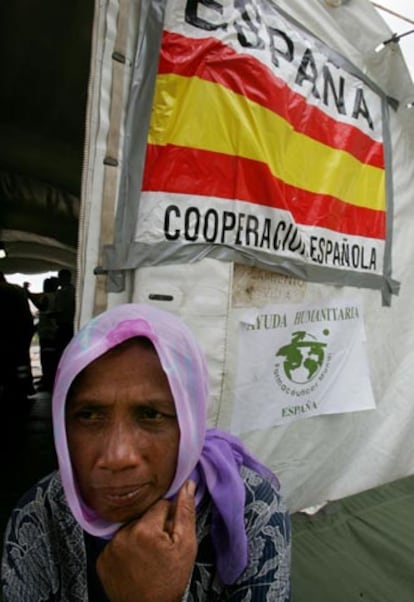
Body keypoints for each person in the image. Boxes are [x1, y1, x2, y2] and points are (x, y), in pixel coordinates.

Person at [1, 304, 291, 601]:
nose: (117, 456)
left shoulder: (250, 507)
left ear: (190, 424)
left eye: (151, 414)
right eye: (88, 415)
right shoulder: (40, 515)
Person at [0, 271, 35, 409]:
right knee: (21, 363)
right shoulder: (18, 290)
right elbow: (26, 314)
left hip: (3, 334)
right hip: (20, 333)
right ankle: (23, 388)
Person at [26, 276, 59, 391]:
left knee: (46, 358)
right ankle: (48, 379)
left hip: (48, 332)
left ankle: (47, 381)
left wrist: (28, 294)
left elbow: (41, 306)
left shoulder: (48, 297)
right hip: (52, 331)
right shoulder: (56, 296)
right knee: (50, 357)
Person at [54, 268, 76, 359]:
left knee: (61, 351)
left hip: (64, 324)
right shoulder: (73, 290)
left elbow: (59, 309)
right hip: (70, 323)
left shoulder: (63, 292)